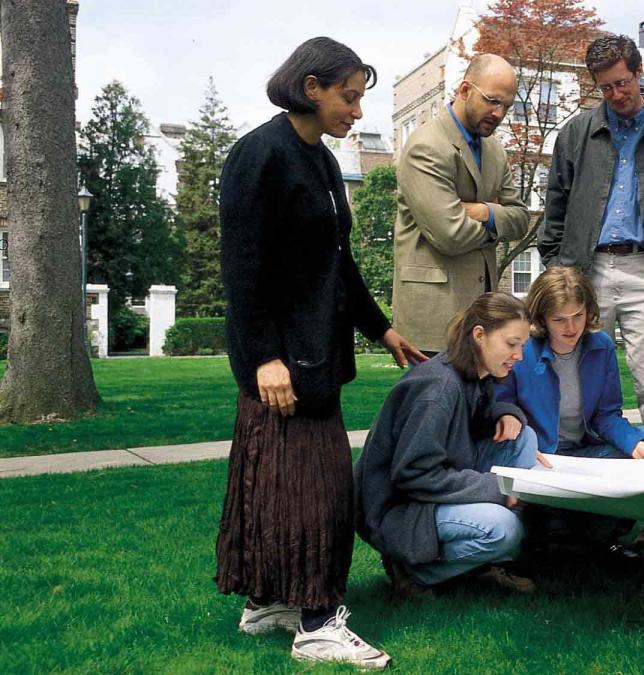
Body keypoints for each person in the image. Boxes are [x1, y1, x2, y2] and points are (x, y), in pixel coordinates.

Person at [215, 36, 425, 670]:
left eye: (359, 99)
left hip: (317, 357)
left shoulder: (324, 162)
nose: (357, 112)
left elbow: (338, 264)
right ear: (311, 87)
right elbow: (241, 272)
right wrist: (263, 360)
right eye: (349, 97)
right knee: (321, 493)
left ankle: (268, 604)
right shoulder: (259, 156)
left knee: (279, 486)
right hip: (283, 365)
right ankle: (317, 624)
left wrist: (382, 329)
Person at [539, 34, 644, 429]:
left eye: (622, 82)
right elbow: (556, 203)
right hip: (585, 273)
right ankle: (575, 467)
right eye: (606, 87)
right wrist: (556, 265)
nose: (615, 94)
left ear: (639, 72)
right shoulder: (575, 134)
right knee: (573, 379)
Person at [355, 293, 550, 599]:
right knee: (504, 529)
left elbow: (474, 421)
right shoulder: (438, 391)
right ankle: (413, 570)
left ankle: (488, 563)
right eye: (512, 344)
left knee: (524, 438)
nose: (519, 356)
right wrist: (500, 488)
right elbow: (414, 474)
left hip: (435, 486)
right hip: (399, 509)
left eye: (522, 346)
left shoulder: (472, 371)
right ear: (479, 335)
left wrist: (506, 413)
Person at [495, 266, 644, 559]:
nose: (571, 328)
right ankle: (572, 527)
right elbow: (502, 405)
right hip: (542, 458)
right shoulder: (524, 350)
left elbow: (606, 414)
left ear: (588, 311)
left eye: (578, 316)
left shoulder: (600, 345)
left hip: (586, 452)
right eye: (559, 319)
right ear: (541, 318)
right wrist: (513, 427)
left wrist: (633, 443)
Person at [393, 54, 531, 353]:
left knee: (482, 401)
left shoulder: (495, 150)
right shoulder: (426, 146)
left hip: (482, 315)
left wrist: (483, 211)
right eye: (492, 100)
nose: (499, 113)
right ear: (465, 90)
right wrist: (497, 219)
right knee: (436, 401)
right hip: (434, 317)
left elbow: (521, 219)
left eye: (507, 105)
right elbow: (450, 235)